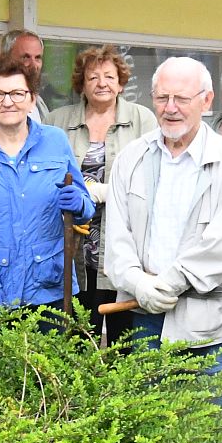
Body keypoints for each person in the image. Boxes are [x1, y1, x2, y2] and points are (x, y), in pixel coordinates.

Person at [104, 57, 222, 375]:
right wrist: (138, 283)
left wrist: (168, 284)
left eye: (181, 99)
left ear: (207, 100)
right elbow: (117, 238)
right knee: (150, 423)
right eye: (162, 98)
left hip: (213, 326)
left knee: (215, 424)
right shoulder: (130, 158)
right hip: (145, 315)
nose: (170, 108)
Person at [0, 52, 93, 316]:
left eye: (17, 93)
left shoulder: (55, 141)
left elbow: (86, 207)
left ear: (32, 99)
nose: (8, 102)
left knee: (49, 358)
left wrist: (79, 203)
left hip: (50, 289)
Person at [46, 44, 158, 335]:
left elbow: (150, 180)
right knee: (79, 332)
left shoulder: (142, 119)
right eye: (93, 77)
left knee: (125, 336)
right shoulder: (57, 121)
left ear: (121, 83)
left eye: (109, 76)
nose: (102, 83)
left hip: (124, 241)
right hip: (72, 243)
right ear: (81, 84)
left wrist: (96, 192)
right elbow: (46, 178)